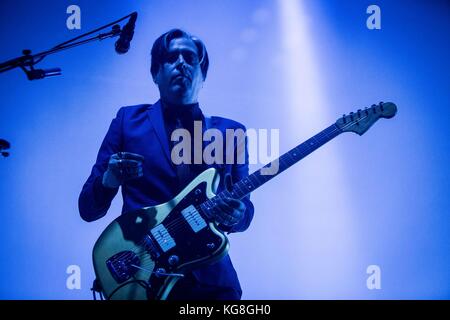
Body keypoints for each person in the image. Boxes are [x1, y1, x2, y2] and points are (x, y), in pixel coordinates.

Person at [78, 28, 254, 300]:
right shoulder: (128, 122)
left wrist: (237, 214)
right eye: (172, 57)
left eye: (190, 57)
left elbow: (245, 212)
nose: (181, 62)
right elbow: (88, 209)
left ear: (203, 74)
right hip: (142, 275)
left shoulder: (232, 133)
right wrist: (109, 180)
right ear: (155, 73)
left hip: (211, 284)